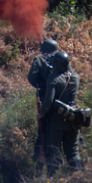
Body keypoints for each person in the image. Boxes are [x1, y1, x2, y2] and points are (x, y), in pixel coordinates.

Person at [39, 50, 82, 174]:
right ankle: (79, 176)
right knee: (73, 152)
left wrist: (41, 114)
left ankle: (53, 178)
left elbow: (48, 101)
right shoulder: (75, 76)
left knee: (54, 151)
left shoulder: (53, 79)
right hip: (74, 119)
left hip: (57, 122)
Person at [27, 39, 58, 167]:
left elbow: (32, 77)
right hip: (62, 97)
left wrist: (40, 85)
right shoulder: (61, 58)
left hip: (45, 97)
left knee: (43, 129)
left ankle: (39, 161)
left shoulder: (39, 59)